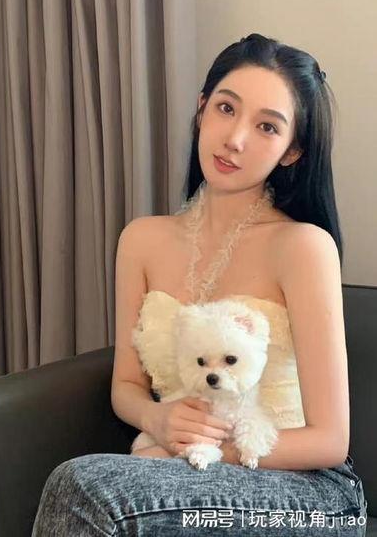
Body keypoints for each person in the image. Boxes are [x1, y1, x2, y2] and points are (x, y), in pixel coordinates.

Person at [31, 33, 368, 535]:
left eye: (267, 127)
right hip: (184, 468)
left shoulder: (303, 246)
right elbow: (127, 387)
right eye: (226, 109)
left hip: (303, 487)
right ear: (201, 108)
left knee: (87, 485)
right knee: (93, 490)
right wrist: (159, 421)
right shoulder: (142, 240)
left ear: (293, 150)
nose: (235, 139)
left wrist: (201, 449)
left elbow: (330, 441)